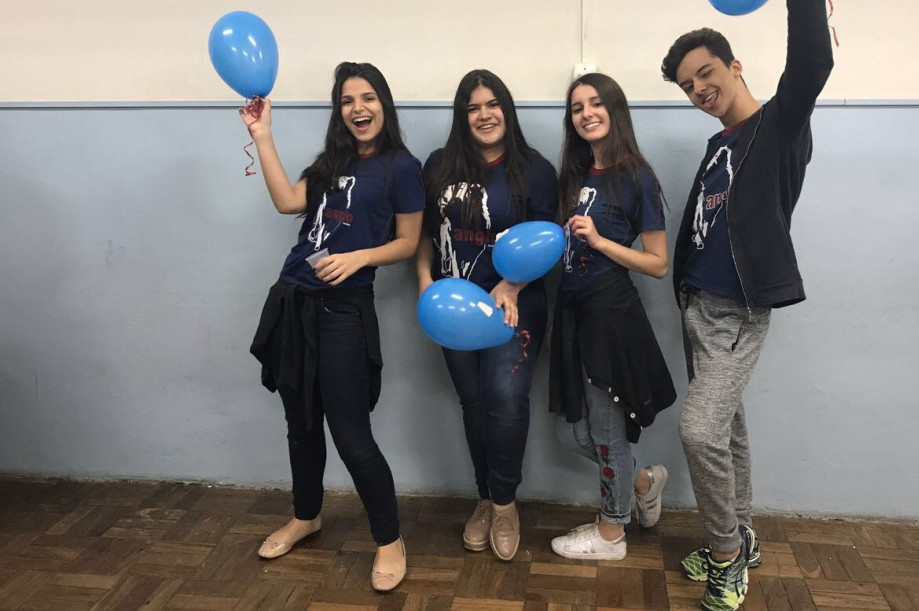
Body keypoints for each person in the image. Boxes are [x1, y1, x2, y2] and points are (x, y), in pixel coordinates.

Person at [660, 0, 834, 610]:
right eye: (688, 85)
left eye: (707, 73)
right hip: (699, 306)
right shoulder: (719, 144)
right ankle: (745, 534)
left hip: (738, 311)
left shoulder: (779, 126)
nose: (700, 89)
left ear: (734, 65)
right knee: (726, 430)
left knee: (697, 428)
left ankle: (728, 556)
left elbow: (813, 60)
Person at [246, 62, 425, 593]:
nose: (358, 109)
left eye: (368, 98)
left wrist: (360, 259)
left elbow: (409, 241)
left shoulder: (401, 166)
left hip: (344, 312)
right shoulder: (330, 162)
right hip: (294, 304)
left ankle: (390, 541)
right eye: (347, 101)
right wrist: (262, 135)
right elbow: (287, 202)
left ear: (384, 105)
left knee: (351, 435)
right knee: (300, 424)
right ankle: (306, 516)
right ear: (339, 110)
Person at [416, 69, 558, 561]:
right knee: (473, 403)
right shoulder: (437, 165)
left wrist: (512, 283)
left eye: (493, 104)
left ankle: (504, 503)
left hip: (512, 306)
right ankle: (484, 497)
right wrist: (423, 282)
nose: (484, 114)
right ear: (462, 116)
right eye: (474, 107)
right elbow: (424, 236)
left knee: (506, 401)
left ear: (507, 110)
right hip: (451, 308)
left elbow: (548, 241)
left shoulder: (535, 169)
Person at [548, 72, 677, 561]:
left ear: (615, 109)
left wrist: (601, 242)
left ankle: (611, 534)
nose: (586, 113)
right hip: (573, 315)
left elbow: (659, 263)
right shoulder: (576, 176)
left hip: (611, 315)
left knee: (606, 432)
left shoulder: (637, 175)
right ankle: (642, 481)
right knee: (572, 432)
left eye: (595, 103)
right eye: (577, 107)